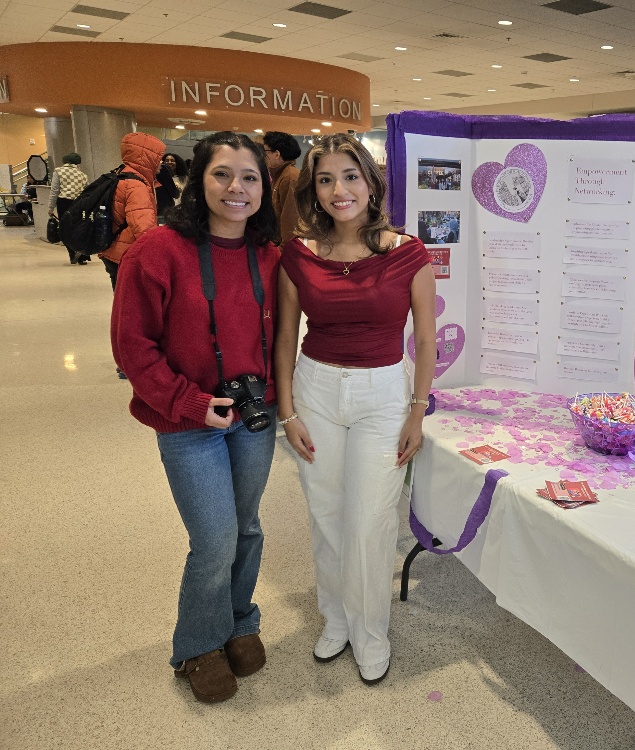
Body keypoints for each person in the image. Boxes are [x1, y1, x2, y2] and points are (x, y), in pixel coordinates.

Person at [110, 131, 281, 704]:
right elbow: (132, 346)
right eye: (222, 174)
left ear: (264, 187)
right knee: (214, 538)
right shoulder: (157, 251)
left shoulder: (269, 254)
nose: (237, 187)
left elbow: (284, 334)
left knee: (248, 526)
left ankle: (238, 620)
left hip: (253, 416)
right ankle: (199, 643)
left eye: (250, 177)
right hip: (186, 422)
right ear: (197, 180)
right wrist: (188, 402)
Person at [274, 133, 436, 686]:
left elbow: (426, 340)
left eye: (350, 176)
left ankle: (371, 632)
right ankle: (337, 619)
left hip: (382, 394)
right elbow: (285, 336)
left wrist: (416, 411)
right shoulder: (299, 254)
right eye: (325, 180)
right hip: (316, 390)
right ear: (313, 190)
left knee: (370, 519)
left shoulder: (407, 253)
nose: (338, 190)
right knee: (327, 514)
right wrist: (287, 412)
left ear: (371, 183)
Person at [99, 132, 165, 291]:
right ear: (147, 158)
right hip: (126, 253)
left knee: (120, 295)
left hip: (113, 248)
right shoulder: (136, 186)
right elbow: (143, 227)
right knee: (130, 301)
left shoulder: (121, 175)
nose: (161, 162)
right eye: (159, 157)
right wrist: (157, 256)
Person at [48, 152, 89, 264]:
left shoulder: (58, 171)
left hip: (64, 203)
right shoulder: (83, 175)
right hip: (79, 203)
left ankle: (72, 253)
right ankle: (81, 256)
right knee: (78, 228)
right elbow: (87, 191)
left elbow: (54, 191)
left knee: (65, 229)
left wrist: (51, 208)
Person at [262, 131, 302, 246]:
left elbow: (291, 220)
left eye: (265, 151)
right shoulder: (280, 175)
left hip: (285, 248)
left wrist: (283, 251)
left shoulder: (290, 177)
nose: (263, 156)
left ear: (277, 154)